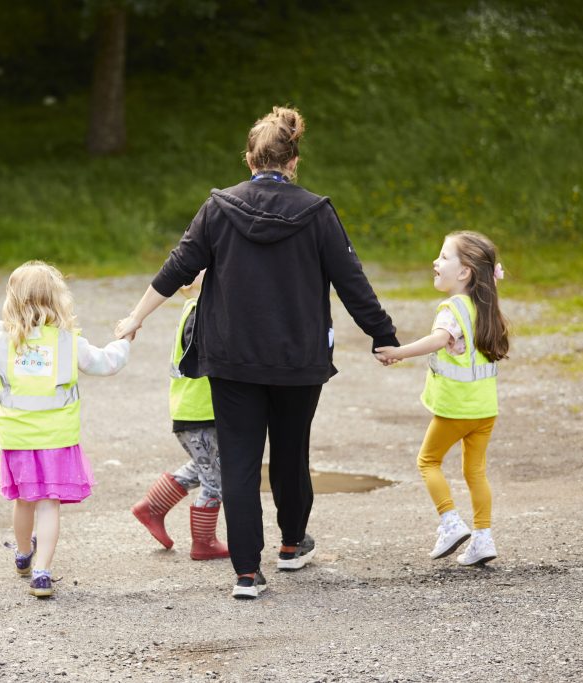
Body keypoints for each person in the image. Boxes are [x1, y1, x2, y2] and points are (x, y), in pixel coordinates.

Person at [115, 106, 399, 599]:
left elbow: (177, 268)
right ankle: (291, 545)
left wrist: (135, 318)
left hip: (232, 359)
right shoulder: (317, 212)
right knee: (291, 452)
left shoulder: (218, 208)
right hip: (298, 359)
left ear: (249, 160)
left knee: (240, 461)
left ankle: (246, 573)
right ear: (293, 161)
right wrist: (382, 335)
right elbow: (352, 281)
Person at [0, 260, 130, 598]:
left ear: (12, 302)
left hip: (18, 438)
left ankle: (23, 553)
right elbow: (106, 363)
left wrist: (5, 325)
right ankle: (42, 572)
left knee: (24, 500)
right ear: (58, 301)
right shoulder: (68, 342)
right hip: (57, 438)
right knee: (48, 504)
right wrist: (125, 341)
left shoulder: (2, 343)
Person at [374, 231, 509, 566]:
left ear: (464, 272)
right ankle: (483, 538)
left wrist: (398, 352)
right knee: (475, 471)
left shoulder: (453, 308)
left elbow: (437, 340)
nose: (436, 262)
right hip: (485, 409)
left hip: (456, 409)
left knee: (428, 461)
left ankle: (450, 522)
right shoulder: (485, 307)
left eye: (444, 257)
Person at [131, 273, 229, 561]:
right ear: (188, 282)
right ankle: (204, 542)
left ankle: (152, 507)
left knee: (207, 465)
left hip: (195, 410)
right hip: (199, 412)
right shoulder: (200, 313)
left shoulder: (194, 309)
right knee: (215, 478)